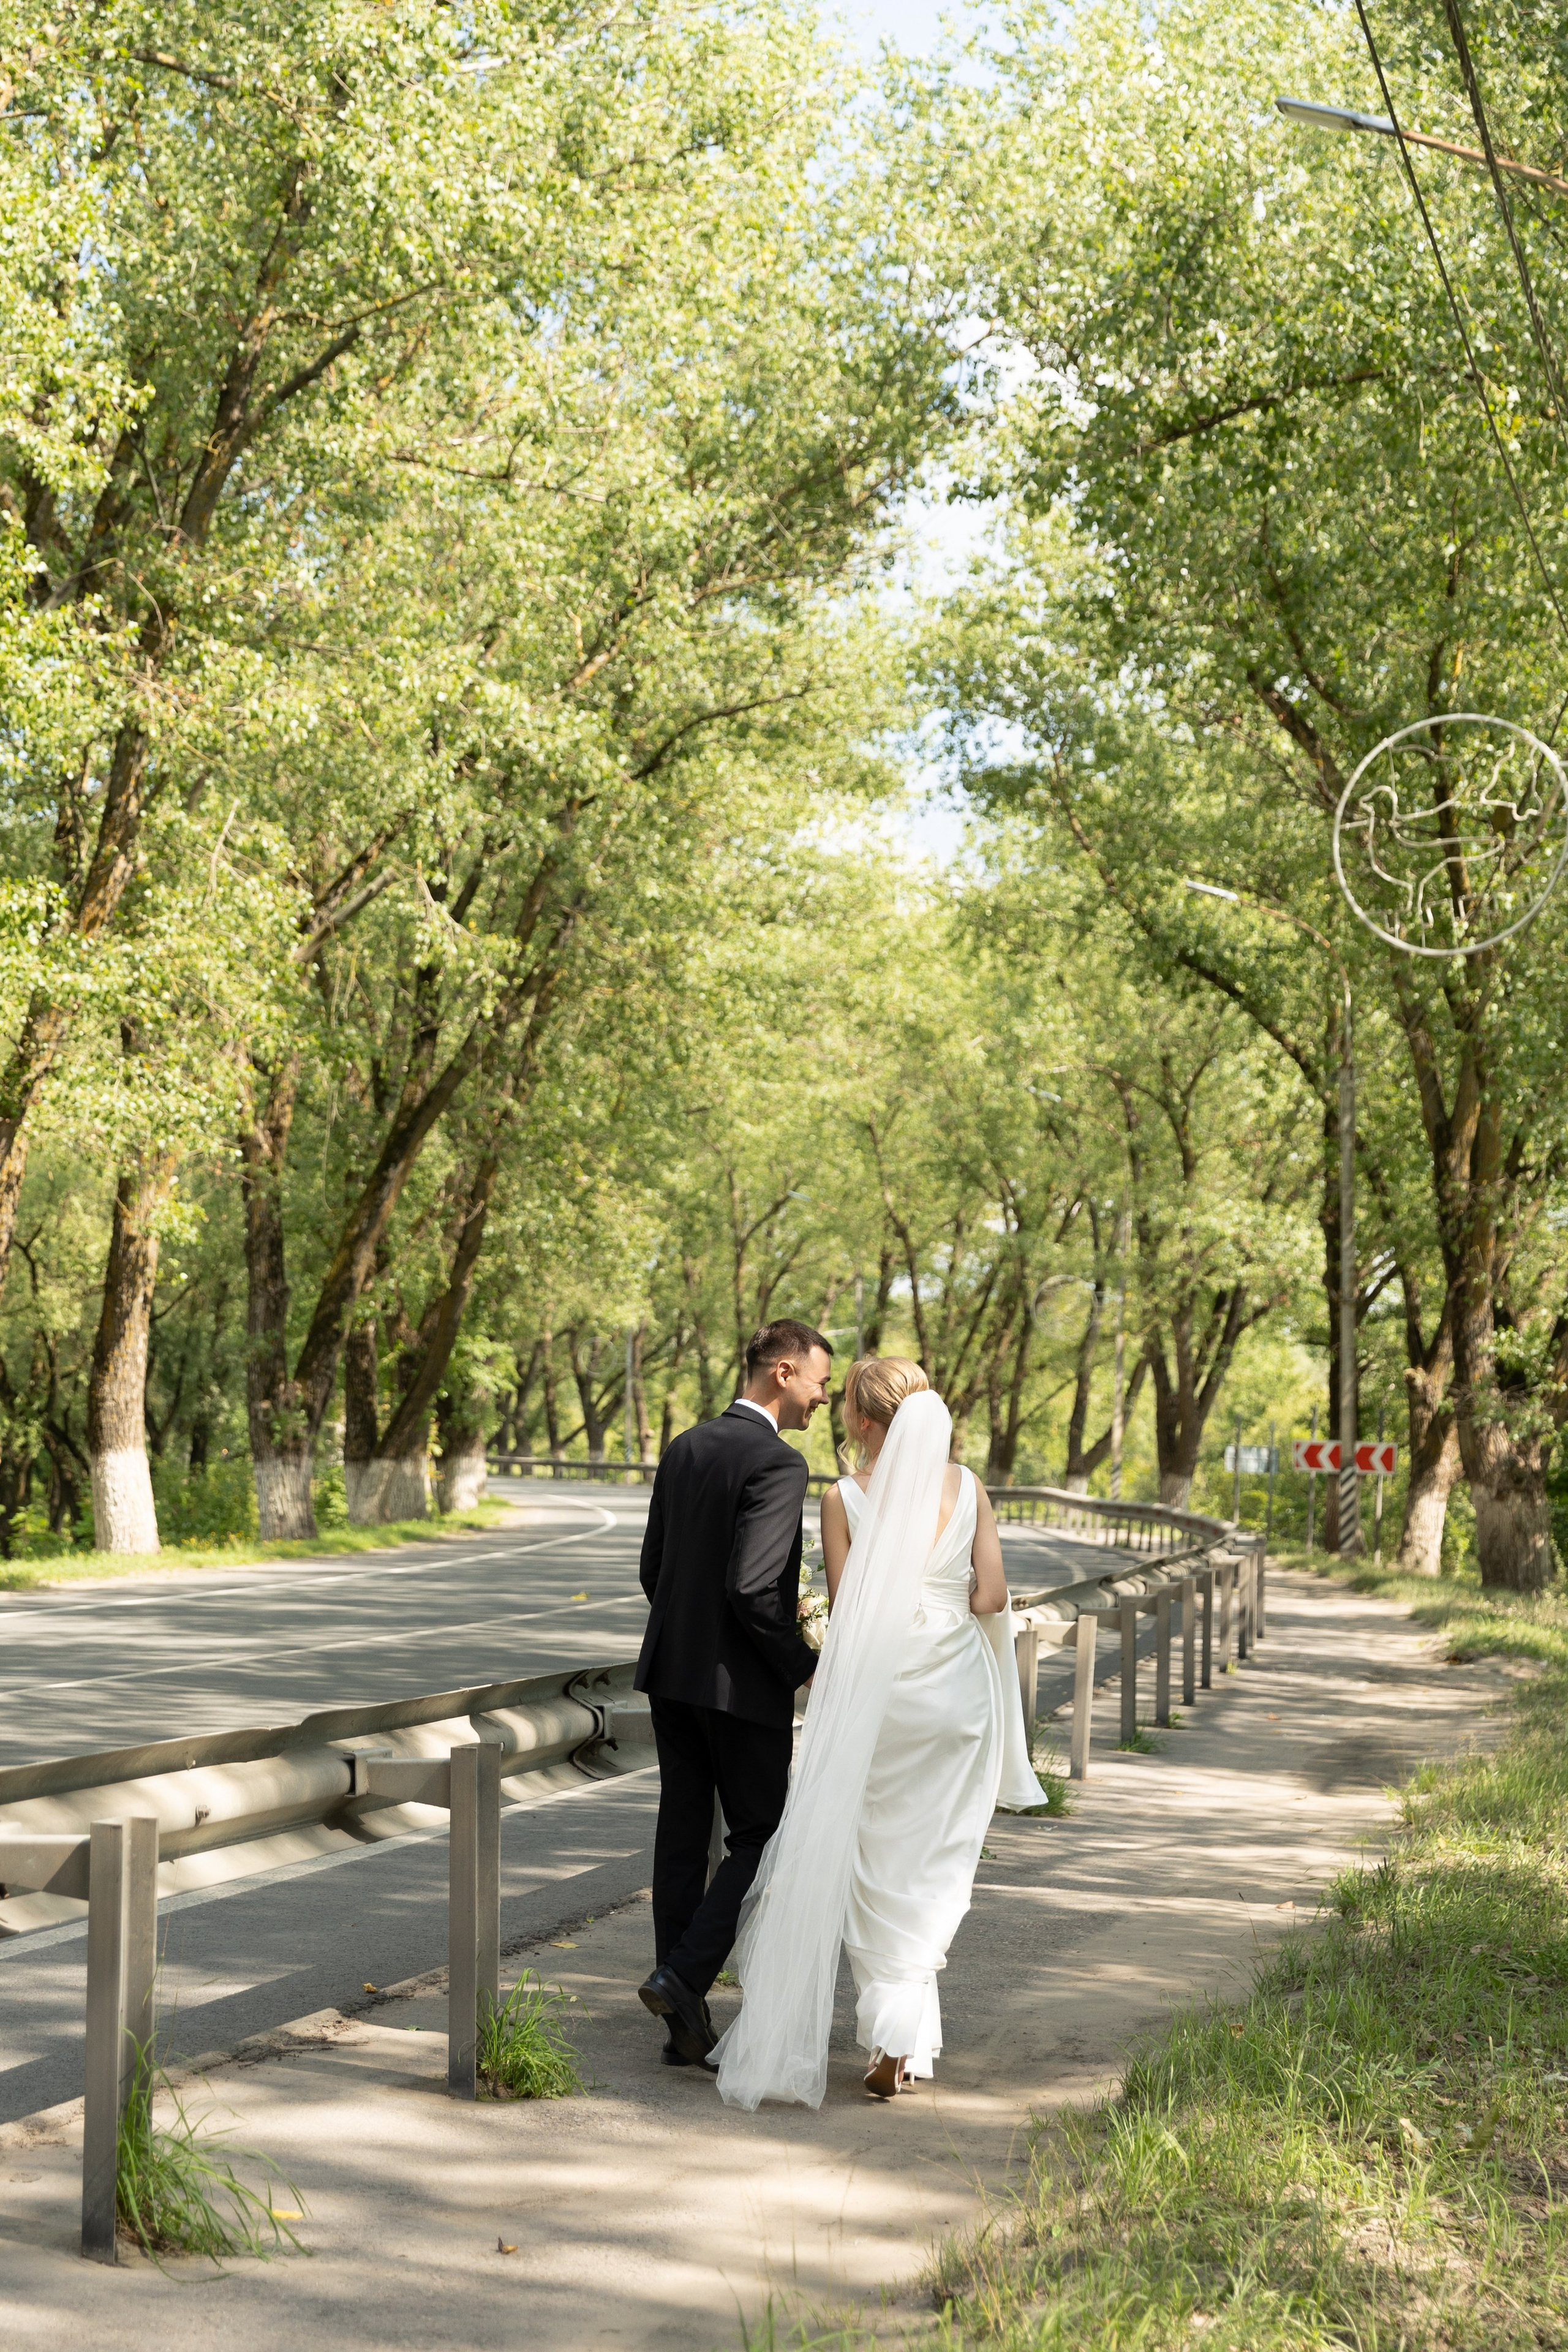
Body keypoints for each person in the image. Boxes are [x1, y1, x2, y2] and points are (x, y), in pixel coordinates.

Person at [712, 1360, 1046, 2109]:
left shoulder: (844, 1498)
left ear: (862, 1420)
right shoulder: (968, 1488)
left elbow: (849, 1608)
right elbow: (991, 1596)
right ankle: (903, 2037)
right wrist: (949, 1595)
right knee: (937, 1863)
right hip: (957, 1697)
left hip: (882, 1694)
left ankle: (892, 2032)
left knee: (871, 1860)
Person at [633, 1317, 832, 2067]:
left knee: (683, 1834)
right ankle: (684, 1976)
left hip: (670, 1673)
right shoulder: (778, 1464)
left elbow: (653, 1570)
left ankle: (681, 2025)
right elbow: (753, 1588)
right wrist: (799, 1663)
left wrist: (687, 1639)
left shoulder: (685, 1446)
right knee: (761, 1836)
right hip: (741, 1685)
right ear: (783, 1372)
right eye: (818, 1381)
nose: (822, 1398)